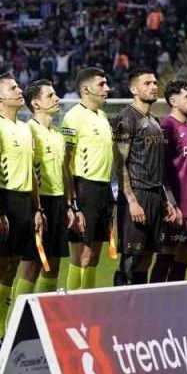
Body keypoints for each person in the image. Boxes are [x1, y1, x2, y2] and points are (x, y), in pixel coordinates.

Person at [112, 70, 181, 285]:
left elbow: (159, 166)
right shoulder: (127, 118)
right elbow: (119, 162)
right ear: (134, 89)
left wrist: (167, 200)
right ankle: (121, 301)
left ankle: (139, 302)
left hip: (155, 197)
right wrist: (132, 201)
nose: (153, 86)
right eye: (147, 83)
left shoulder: (154, 121)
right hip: (137, 195)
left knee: (147, 258)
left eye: (155, 83)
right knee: (131, 259)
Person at [0, 74, 37, 341]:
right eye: (13, 88)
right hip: (5, 200)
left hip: (24, 202)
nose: (19, 91)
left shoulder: (26, 128)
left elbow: (33, 173)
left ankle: (1, 331)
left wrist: (37, 209)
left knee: (13, 267)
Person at [18, 80, 76, 294]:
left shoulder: (58, 134)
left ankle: (42, 311)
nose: (57, 98)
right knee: (32, 265)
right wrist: (36, 209)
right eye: (50, 95)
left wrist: (69, 206)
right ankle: (21, 313)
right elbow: (27, 172)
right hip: (38, 203)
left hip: (58, 203)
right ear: (35, 104)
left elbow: (64, 172)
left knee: (52, 265)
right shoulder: (28, 131)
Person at [63, 68, 110, 291]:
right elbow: (65, 162)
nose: (107, 88)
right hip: (84, 188)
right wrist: (72, 203)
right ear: (85, 89)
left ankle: (87, 302)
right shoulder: (73, 117)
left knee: (94, 255)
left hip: (104, 189)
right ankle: (72, 304)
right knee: (82, 254)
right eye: (101, 84)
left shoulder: (103, 116)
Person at [150, 80, 187, 282]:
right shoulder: (167, 127)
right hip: (177, 207)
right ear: (173, 101)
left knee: (184, 260)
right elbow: (161, 170)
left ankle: (174, 298)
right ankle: (154, 297)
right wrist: (171, 203)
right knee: (166, 257)